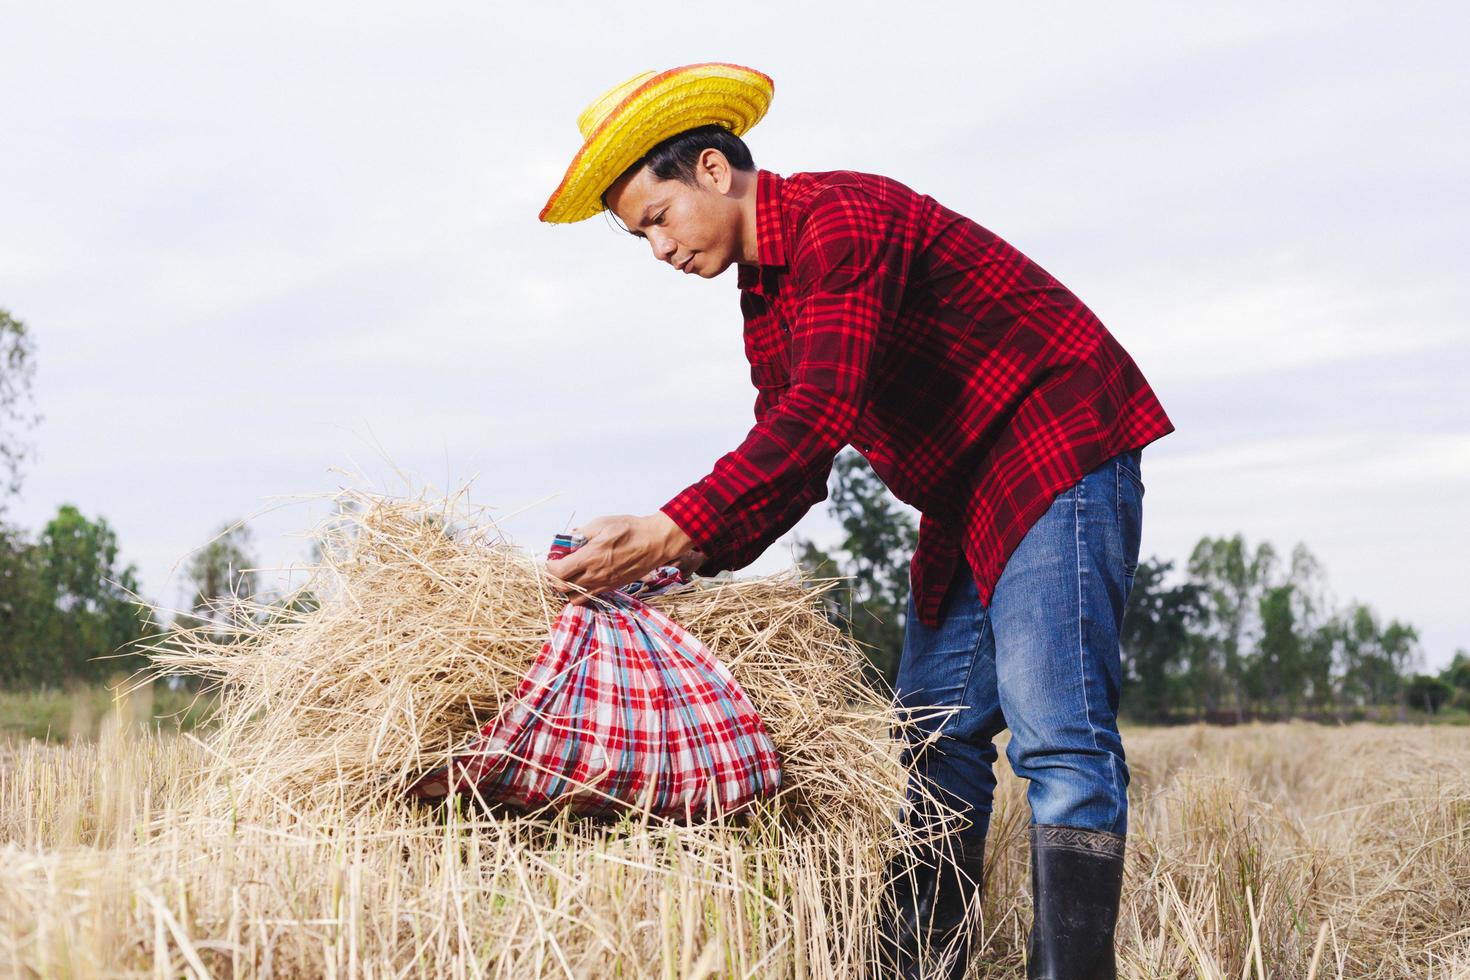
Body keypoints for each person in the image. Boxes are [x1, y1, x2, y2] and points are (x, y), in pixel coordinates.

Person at [539, 62, 1174, 979]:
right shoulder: (766, 306)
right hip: (966, 499)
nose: (660, 252)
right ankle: (919, 964)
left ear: (713, 170)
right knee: (930, 735)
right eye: (642, 237)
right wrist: (668, 559)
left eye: (658, 219)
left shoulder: (842, 221)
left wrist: (671, 525)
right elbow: (790, 463)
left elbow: (817, 417)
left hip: (1052, 442)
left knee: (1056, 734)